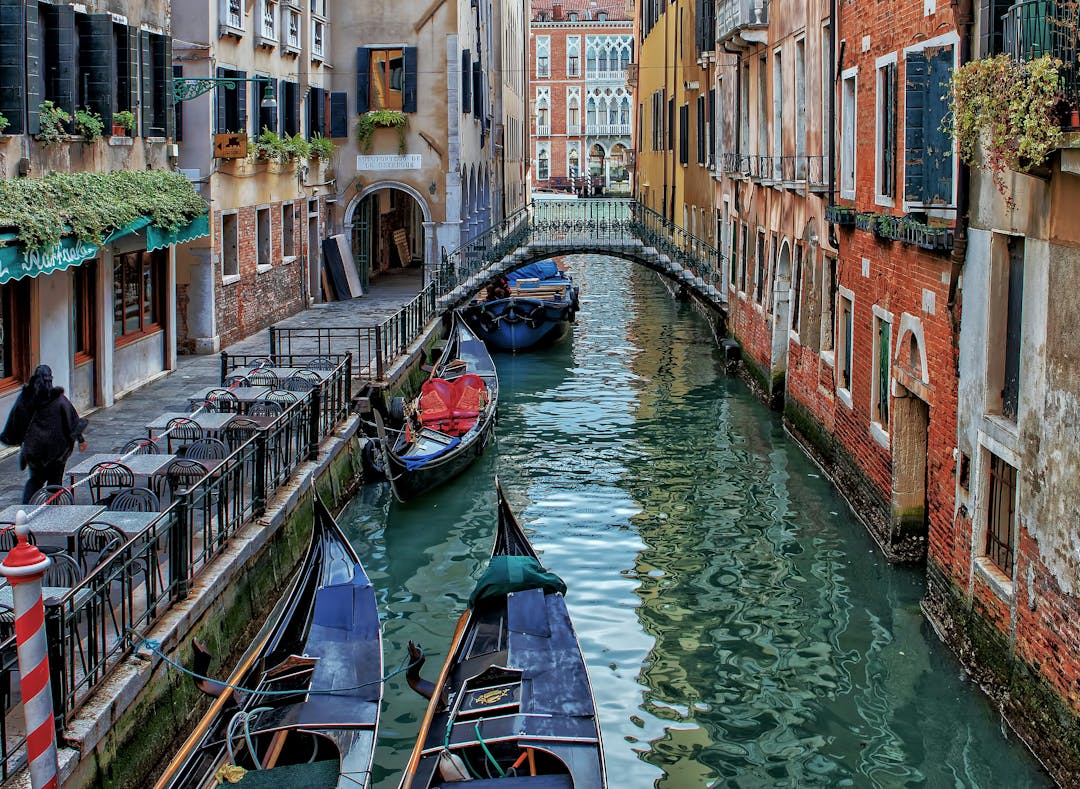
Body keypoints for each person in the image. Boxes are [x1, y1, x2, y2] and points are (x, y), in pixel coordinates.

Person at [0, 365, 88, 504]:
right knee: (55, 483)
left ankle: (27, 510)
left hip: (35, 452)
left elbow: (16, 420)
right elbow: (73, 422)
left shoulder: (25, 399)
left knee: (35, 481)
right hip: (57, 453)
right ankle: (51, 515)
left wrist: (12, 438)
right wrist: (80, 439)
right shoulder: (60, 401)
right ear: (50, 379)